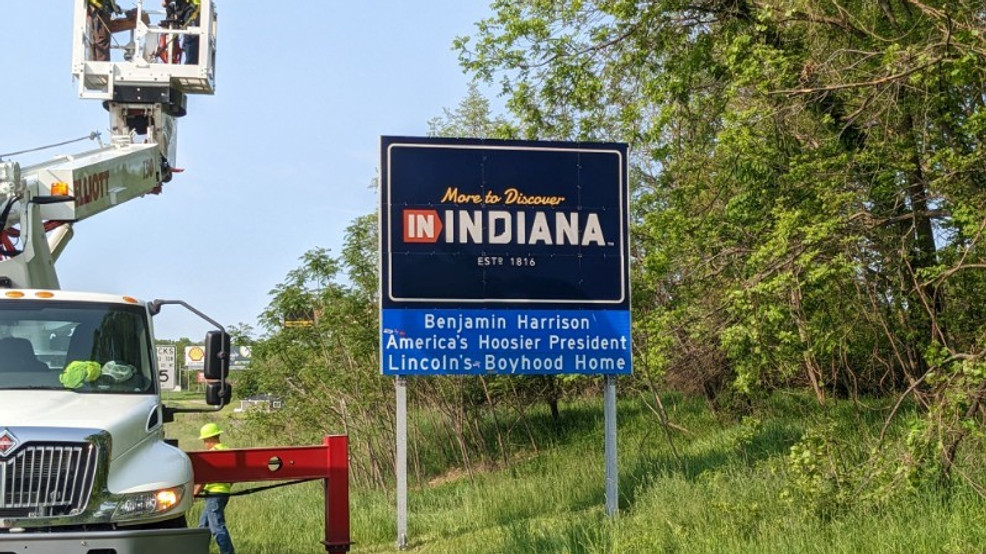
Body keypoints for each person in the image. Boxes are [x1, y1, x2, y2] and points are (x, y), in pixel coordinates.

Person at [195, 423, 235, 554]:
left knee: (217, 527)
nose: (204, 444)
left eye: (204, 441)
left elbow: (205, 477)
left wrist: (195, 492)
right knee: (203, 526)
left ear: (209, 439)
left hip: (213, 495)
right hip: (224, 493)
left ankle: (227, 552)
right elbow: (234, 474)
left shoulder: (212, 454)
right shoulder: (228, 451)